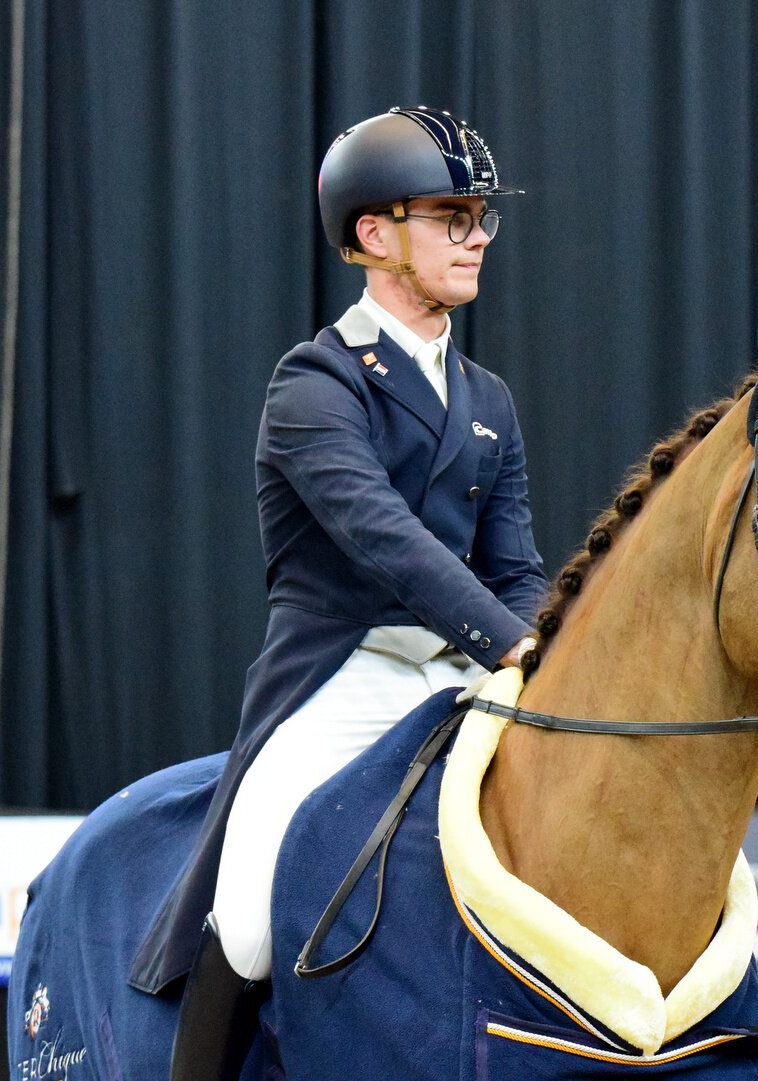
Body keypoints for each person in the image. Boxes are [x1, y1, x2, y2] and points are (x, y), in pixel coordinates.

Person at [129, 106, 549, 1077]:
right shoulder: (315, 384)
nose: (478, 234)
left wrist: (554, 654)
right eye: (452, 214)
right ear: (374, 233)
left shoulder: (487, 400)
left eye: (482, 215)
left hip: (465, 672)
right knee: (247, 906)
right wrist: (514, 646)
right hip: (341, 679)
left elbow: (515, 564)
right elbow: (385, 541)